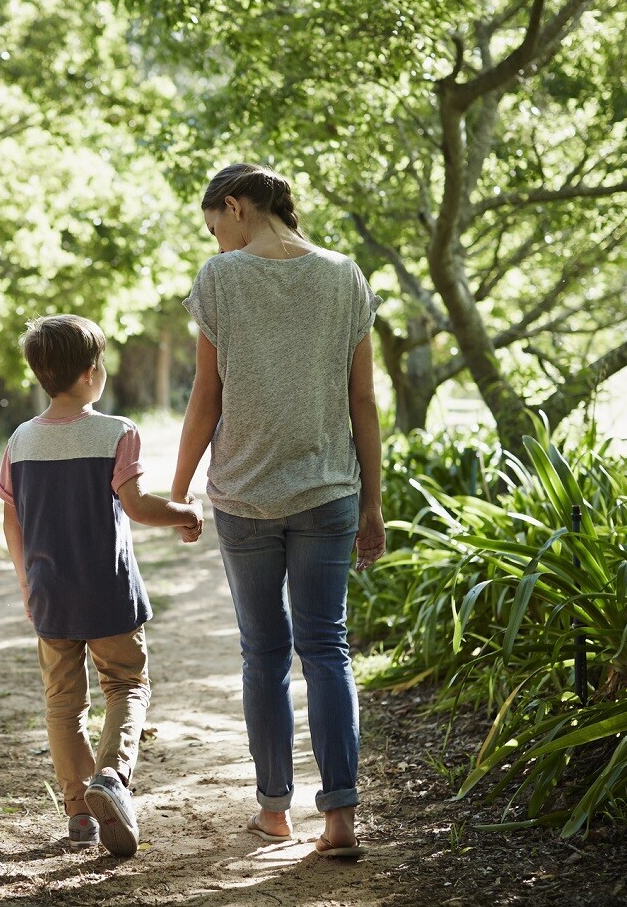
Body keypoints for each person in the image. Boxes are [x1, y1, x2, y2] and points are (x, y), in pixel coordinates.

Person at [169, 163, 385, 859]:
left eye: (216, 227)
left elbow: (206, 397)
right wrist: (373, 502)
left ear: (236, 207)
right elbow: (364, 402)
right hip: (330, 493)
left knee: (263, 654)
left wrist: (179, 490)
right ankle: (341, 820)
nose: (219, 242)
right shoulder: (345, 276)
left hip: (245, 495)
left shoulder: (220, 278)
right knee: (327, 649)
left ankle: (273, 812)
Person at [0, 315, 204, 857]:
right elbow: (135, 505)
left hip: (51, 595)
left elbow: (11, 520)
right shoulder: (117, 431)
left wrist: (26, 584)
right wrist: (184, 511)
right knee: (127, 686)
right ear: (92, 374)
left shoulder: (20, 440)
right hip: (109, 594)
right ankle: (111, 777)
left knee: (63, 705)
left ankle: (79, 815)